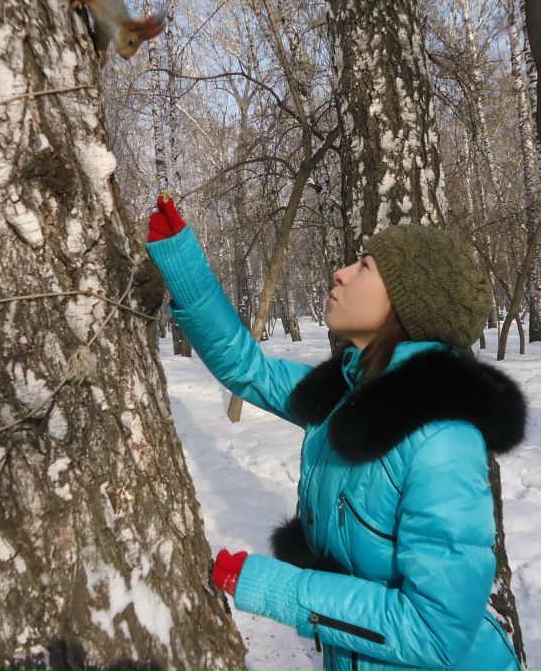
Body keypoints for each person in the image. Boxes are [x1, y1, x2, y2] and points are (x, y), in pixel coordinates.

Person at [146, 194, 526, 671]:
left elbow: (435, 633)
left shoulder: (443, 442)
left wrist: (274, 588)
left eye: (364, 267)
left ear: (407, 305)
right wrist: (184, 265)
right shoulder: (344, 395)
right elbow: (248, 368)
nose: (341, 273)